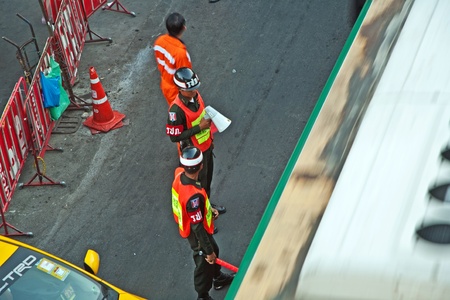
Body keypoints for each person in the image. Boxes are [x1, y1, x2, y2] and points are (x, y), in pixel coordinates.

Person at [172, 146, 235, 300]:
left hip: (194, 226)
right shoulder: (192, 197)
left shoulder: (179, 175)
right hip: (196, 234)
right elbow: (197, 227)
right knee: (204, 263)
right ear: (201, 166)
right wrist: (208, 252)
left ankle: (217, 277)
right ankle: (203, 296)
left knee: (215, 249)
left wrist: (209, 211)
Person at [166, 67, 226, 215]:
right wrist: (199, 127)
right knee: (198, 187)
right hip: (193, 155)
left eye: (195, 88)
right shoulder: (176, 111)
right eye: (190, 90)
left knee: (207, 181)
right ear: (180, 89)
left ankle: (208, 206)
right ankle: (205, 215)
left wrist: (209, 139)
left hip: (206, 148)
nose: (194, 91)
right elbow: (174, 137)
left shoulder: (196, 96)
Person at [154, 12, 192, 105]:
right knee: (185, 114)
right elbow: (185, 78)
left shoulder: (159, 41)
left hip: (165, 85)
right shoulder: (180, 53)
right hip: (177, 91)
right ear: (184, 28)